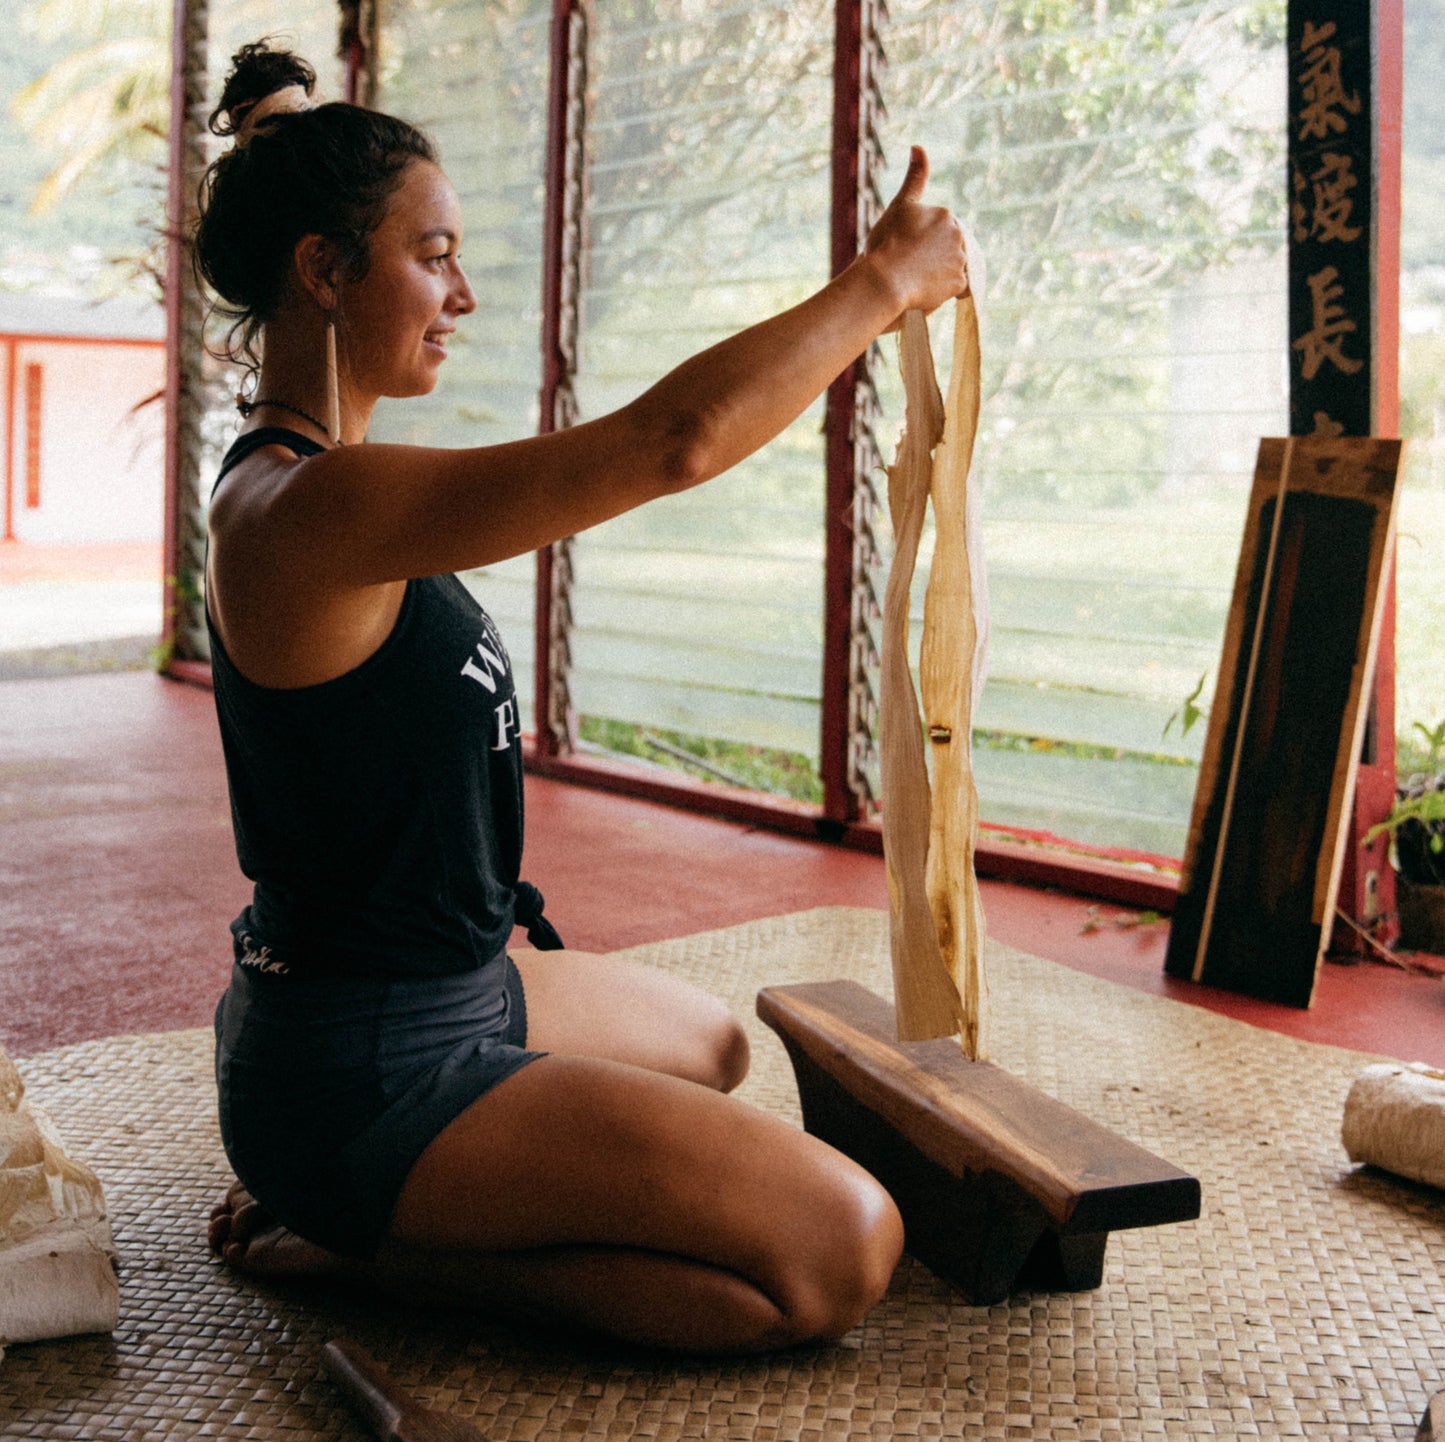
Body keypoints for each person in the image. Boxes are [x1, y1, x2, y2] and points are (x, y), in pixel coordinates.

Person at [197, 39, 969, 1355]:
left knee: (712, 1041)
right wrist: (880, 286)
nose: (466, 293)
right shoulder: (305, 507)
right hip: (361, 1068)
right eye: (431, 255)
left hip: (444, 984)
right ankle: (373, 1249)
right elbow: (669, 443)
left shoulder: (331, 486)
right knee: (840, 1251)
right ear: (322, 269)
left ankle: (394, 1195)